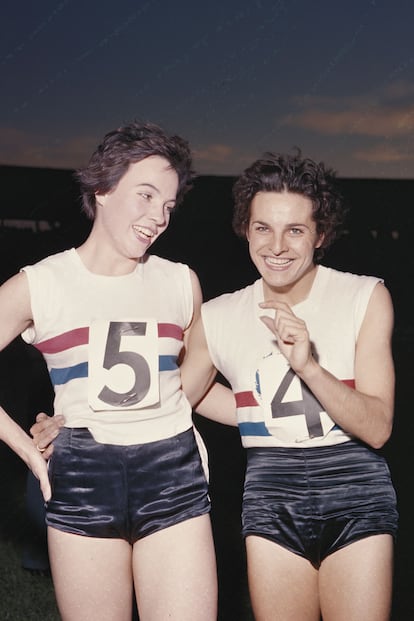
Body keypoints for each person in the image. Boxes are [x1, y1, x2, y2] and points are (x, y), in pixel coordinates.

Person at [0, 121, 217, 621]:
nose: (158, 217)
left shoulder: (182, 283)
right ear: (101, 188)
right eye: (144, 196)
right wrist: (27, 452)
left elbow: (189, 388)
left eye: (167, 205)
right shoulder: (42, 283)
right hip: (82, 481)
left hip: (173, 476)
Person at [180, 150, 398, 620]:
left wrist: (310, 367)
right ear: (246, 228)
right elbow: (178, 396)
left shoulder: (364, 296)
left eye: (295, 230)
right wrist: (69, 419)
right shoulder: (217, 316)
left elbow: (378, 428)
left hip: (354, 486)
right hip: (269, 489)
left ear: (321, 235)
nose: (276, 246)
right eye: (263, 228)